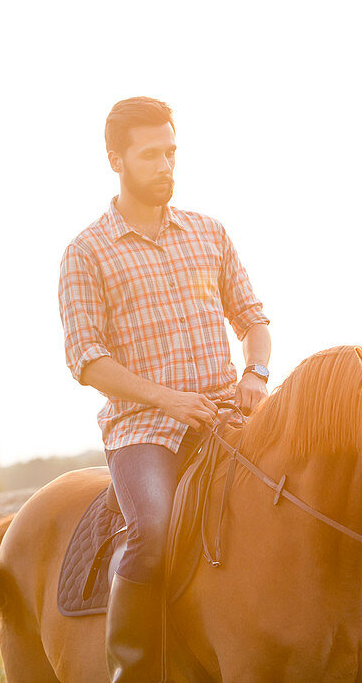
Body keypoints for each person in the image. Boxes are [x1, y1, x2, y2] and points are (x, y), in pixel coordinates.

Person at [58, 96, 271, 681]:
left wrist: (255, 374)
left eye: (171, 151)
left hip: (228, 414)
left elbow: (252, 318)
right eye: (150, 154)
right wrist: (170, 400)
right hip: (144, 431)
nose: (166, 165)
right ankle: (134, 672)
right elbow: (87, 359)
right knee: (151, 531)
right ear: (115, 160)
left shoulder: (209, 233)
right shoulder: (86, 252)